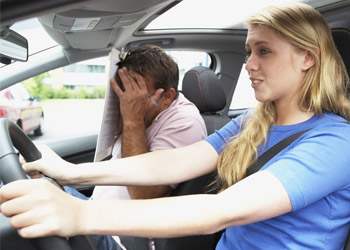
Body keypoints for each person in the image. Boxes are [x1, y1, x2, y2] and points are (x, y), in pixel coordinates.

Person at [1, 3, 350, 249]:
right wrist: (69, 173)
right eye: (248, 52)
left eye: (264, 51)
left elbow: (220, 210)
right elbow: (175, 161)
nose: (249, 65)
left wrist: (81, 214)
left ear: (308, 58)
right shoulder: (254, 121)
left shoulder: (336, 142)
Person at [67, 45, 208, 250]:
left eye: (137, 95)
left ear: (167, 97)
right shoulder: (143, 109)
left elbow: (144, 195)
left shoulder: (185, 122)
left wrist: (133, 119)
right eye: (125, 92)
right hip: (98, 216)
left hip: (124, 238)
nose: (128, 100)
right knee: (37, 186)